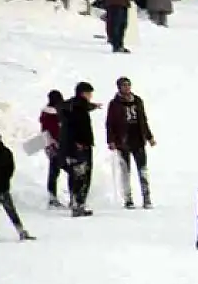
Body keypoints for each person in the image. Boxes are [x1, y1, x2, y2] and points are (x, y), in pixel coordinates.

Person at [106, 76, 156, 209]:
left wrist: (149, 136)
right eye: (124, 85)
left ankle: (146, 197)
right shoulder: (114, 104)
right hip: (123, 141)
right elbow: (110, 123)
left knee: (143, 170)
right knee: (125, 171)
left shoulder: (138, 101)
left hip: (138, 139)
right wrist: (111, 140)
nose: (127, 88)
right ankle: (128, 198)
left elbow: (143, 120)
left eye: (128, 85)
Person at [61, 81, 100, 217]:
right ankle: (79, 205)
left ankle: (76, 203)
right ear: (83, 93)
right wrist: (79, 142)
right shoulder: (78, 108)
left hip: (73, 146)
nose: (90, 96)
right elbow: (77, 126)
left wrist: (93, 106)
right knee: (82, 176)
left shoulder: (73, 105)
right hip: (80, 146)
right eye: (89, 93)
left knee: (76, 175)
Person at [39, 89, 66, 208]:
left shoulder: (46, 113)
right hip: (56, 146)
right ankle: (53, 198)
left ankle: (52, 197)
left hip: (51, 145)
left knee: (54, 172)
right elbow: (53, 131)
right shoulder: (54, 114)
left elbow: (44, 132)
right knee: (60, 171)